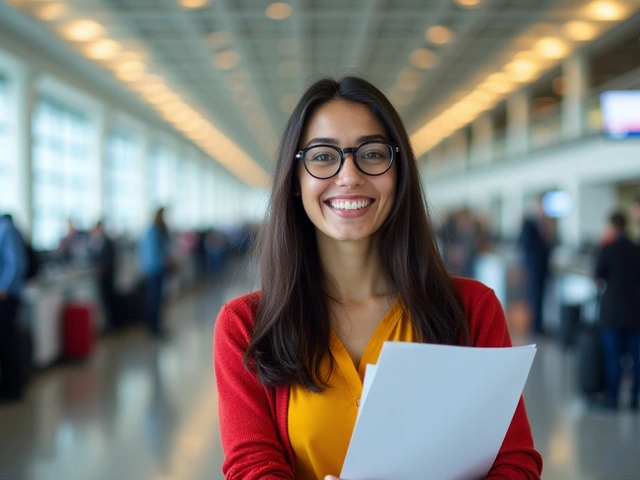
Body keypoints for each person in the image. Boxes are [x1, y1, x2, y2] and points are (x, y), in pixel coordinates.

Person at [213, 77, 543, 479]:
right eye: (322, 156)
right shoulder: (247, 325)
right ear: (295, 181)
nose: (349, 175)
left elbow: (513, 460)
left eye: (371, 154)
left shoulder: (471, 309)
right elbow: (251, 466)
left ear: (399, 173)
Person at [594, 212, 640, 410]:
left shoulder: (608, 249)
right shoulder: (637, 249)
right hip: (635, 312)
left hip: (612, 312)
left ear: (612, 227)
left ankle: (613, 398)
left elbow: (597, 276)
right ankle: (633, 399)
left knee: (614, 358)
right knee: (636, 358)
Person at [0, 214, 28, 403]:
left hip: (7, 296)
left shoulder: (6, 229)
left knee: (7, 341)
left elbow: (16, 262)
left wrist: (4, 287)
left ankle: (13, 388)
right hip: (8, 294)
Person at [518, 197, 554, 335]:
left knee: (540, 297)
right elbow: (527, 245)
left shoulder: (542, 224)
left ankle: (538, 325)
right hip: (534, 267)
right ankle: (536, 326)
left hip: (541, 267)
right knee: (535, 297)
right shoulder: (529, 224)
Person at [139, 208, 172, 338]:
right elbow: (158, 252)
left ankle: (153, 326)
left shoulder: (151, 230)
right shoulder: (156, 231)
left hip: (150, 269)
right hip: (155, 269)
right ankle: (154, 327)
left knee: (154, 299)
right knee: (155, 299)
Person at [88, 221, 118, 331]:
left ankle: (113, 324)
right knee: (105, 301)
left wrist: (103, 269)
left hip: (108, 277)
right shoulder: (96, 242)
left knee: (110, 301)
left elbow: (109, 260)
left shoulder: (107, 242)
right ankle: (110, 324)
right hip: (103, 277)